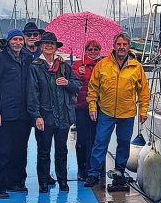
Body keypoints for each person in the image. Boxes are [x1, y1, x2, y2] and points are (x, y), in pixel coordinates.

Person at [84, 33, 150, 190]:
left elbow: (144, 92)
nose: (121, 47)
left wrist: (143, 110)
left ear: (128, 47)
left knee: (123, 144)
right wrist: (92, 106)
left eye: (124, 44)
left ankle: (119, 173)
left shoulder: (136, 67)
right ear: (113, 46)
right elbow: (93, 88)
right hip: (106, 112)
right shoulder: (103, 65)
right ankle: (93, 174)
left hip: (127, 113)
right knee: (100, 143)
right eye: (118, 44)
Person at [27, 32, 81, 193]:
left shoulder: (64, 66)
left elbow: (77, 84)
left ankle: (62, 181)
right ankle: (43, 183)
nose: (49, 46)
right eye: (46, 43)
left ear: (56, 47)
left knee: (61, 150)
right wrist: (36, 115)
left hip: (63, 115)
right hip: (45, 116)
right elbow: (32, 93)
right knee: (43, 151)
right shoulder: (35, 67)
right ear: (41, 46)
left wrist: (67, 83)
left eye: (52, 43)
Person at [0, 29, 33, 198]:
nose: (18, 43)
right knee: (1, 151)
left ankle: (16, 182)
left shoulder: (27, 59)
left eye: (20, 39)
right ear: (9, 41)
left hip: (23, 115)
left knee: (20, 151)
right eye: (14, 40)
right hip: (3, 114)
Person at [71, 39, 102, 181]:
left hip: (99, 107)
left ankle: (96, 168)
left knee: (98, 139)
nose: (93, 52)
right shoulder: (78, 65)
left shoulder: (103, 65)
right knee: (82, 139)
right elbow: (71, 82)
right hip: (82, 106)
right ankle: (81, 168)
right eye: (90, 49)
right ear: (86, 50)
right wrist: (78, 73)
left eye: (96, 49)